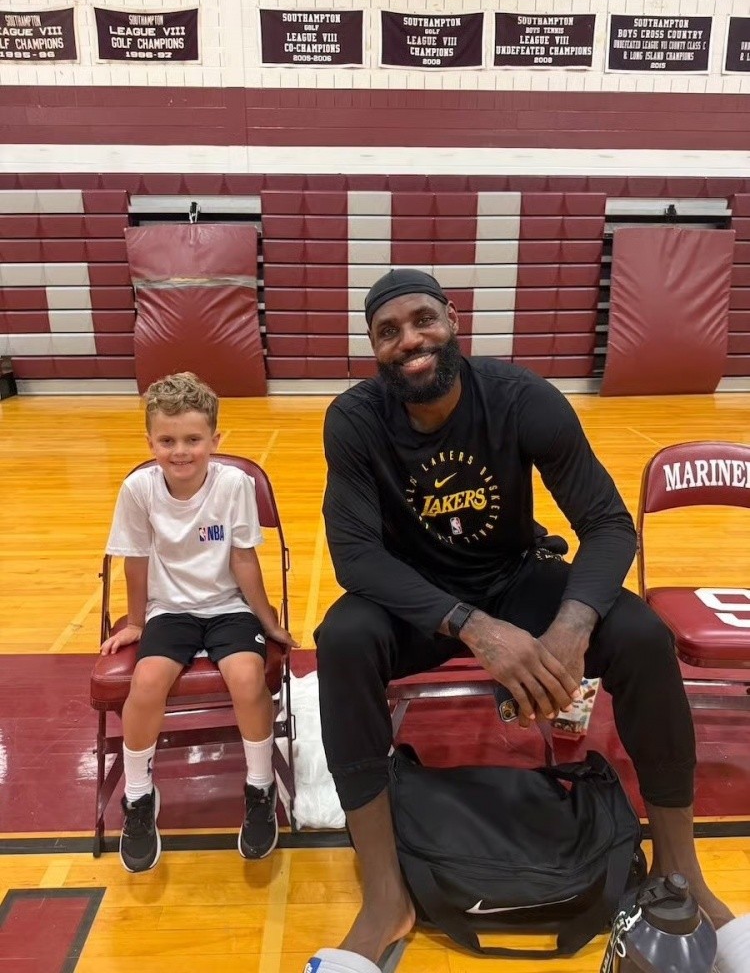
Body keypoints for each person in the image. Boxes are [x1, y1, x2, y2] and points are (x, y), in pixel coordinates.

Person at [315, 268, 734, 965]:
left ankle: (680, 869)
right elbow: (355, 557)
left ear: (453, 321)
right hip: (419, 600)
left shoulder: (521, 398)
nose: (409, 340)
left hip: (515, 577)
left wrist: (570, 627)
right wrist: (475, 628)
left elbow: (607, 524)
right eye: (388, 332)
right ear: (373, 348)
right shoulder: (355, 421)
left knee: (639, 634)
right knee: (343, 637)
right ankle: (387, 895)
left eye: (422, 320)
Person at [102, 371, 296, 873]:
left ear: (215, 439)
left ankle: (259, 788)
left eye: (193, 439)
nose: (180, 451)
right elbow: (135, 560)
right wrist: (136, 622)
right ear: (150, 442)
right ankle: (139, 796)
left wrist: (268, 620)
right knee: (147, 682)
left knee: (248, 678)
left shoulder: (234, 484)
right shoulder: (139, 488)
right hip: (171, 610)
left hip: (229, 606)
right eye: (167, 441)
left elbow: (244, 559)